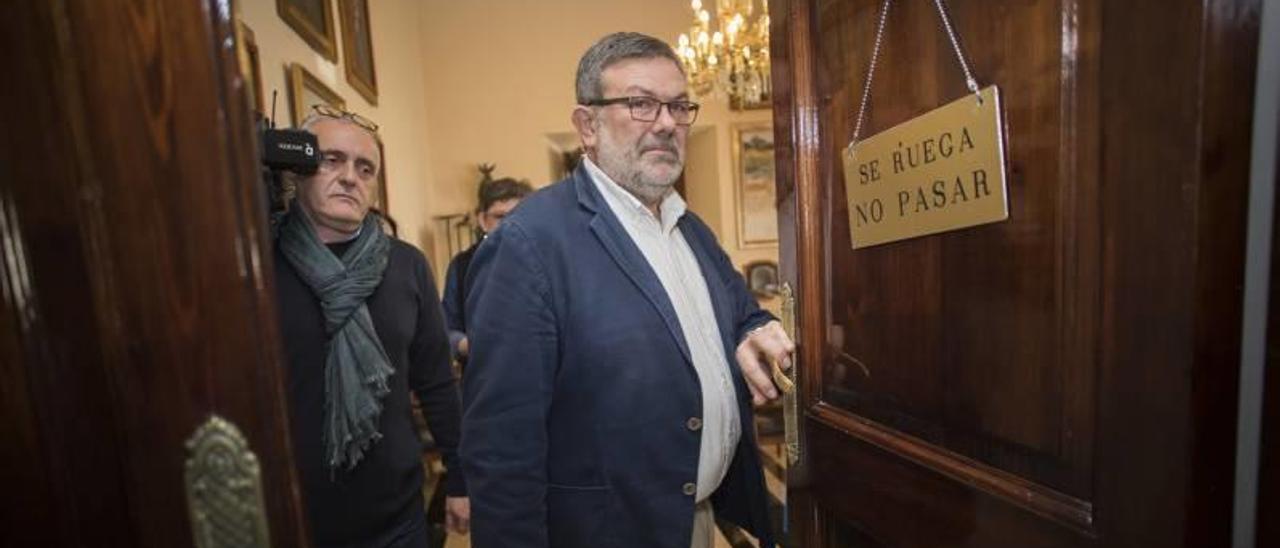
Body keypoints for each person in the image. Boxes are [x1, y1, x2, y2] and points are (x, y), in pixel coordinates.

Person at [460, 33, 794, 548]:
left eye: (679, 106)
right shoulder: (528, 244)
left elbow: (740, 311)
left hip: (696, 521)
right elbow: (502, 449)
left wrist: (757, 328)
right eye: (640, 104)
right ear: (587, 126)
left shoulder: (690, 228)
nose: (666, 123)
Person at [273, 105, 469, 547]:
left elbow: (437, 381)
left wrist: (460, 478)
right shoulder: (260, 260)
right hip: (293, 515)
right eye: (331, 160)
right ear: (297, 169)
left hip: (395, 515)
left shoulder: (407, 265)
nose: (350, 177)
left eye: (365, 168)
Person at [440, 177, 534, 364]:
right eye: (499, 217)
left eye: (517, 215)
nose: (509, 224)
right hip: (482, 378)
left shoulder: (546, 261)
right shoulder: (461, 266)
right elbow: (446, 330)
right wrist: (470, 345)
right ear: (482, 220)